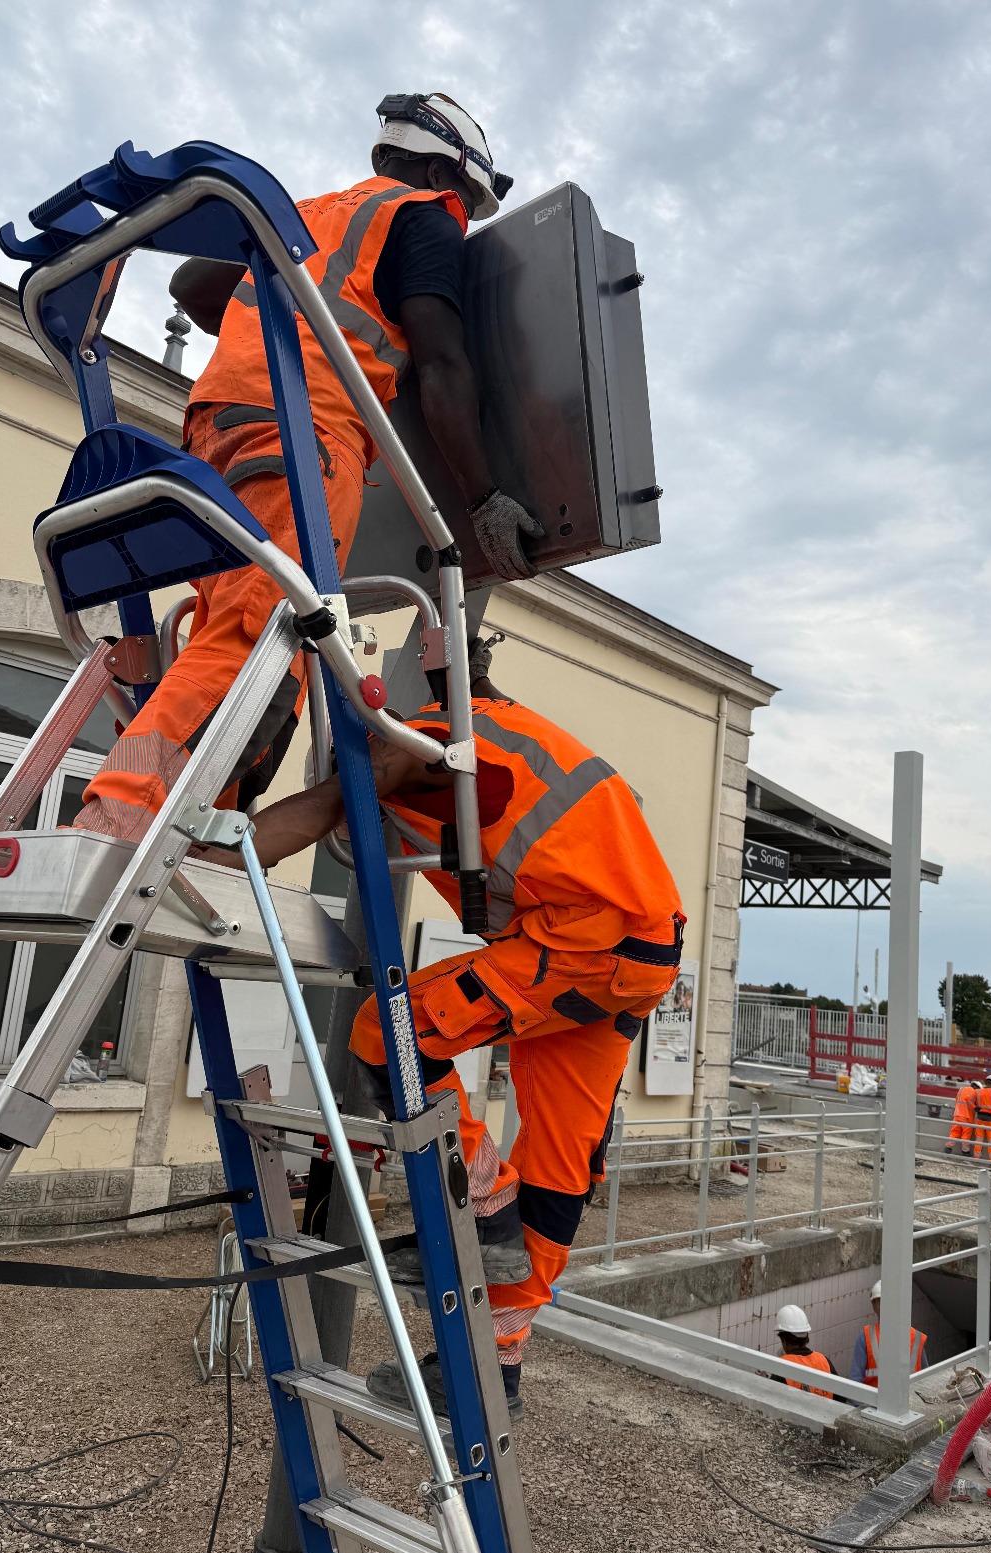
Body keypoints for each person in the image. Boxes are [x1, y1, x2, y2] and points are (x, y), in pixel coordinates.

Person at [215, 644, 684, 1418]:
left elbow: (326, 808)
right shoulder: (491, 725)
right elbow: (477, 699)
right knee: (562, 1163)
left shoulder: (412, 743)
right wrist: (455, 663)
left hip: (581, 940)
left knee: (388, 1032)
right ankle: (490, 1363)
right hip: (637, 950)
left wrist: (198, 858)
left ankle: (488, 1210)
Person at [75, 92, 543, 842]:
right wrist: (484, 496)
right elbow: (445, 363)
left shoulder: (310, 214)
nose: (460, 208)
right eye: (463, 193)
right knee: (258, 631)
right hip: (304, 432)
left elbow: (191, 286)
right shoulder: (423, 216)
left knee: (253, 635)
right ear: (437, 169)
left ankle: (203, 822)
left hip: (218, 428)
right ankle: (121, 812)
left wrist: (279, 309)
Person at [848, 1279, 926, 1388]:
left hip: (908, 1403)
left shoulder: (916, 1338)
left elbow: (926, 1380)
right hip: (875, 1403)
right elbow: (855, 1382)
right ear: (873, 1304)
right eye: (882, 1301)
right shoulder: (865, 1338)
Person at [772, 1304, 836, 1398]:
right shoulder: (824, 1361)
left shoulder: (782, 1366)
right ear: (806, 1338)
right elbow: (841, 1397)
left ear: (784, 1341)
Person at [945, 1079, 980, 1156]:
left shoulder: (961, 1089)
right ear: (977, 1087)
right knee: (966, 1136)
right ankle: (965, 1152)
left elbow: (957, 1099)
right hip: (967, 1117)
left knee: (954, 1132)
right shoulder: (975, 1093)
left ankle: (948, 1148)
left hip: (957, 1115)